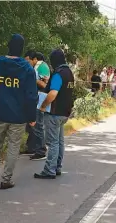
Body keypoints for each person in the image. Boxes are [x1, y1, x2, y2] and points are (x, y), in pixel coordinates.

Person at [0, 34, 38, 189]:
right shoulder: (27, 68)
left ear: (8, 46)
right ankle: (6, 179)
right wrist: (31, 116)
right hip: (18, 116)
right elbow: (31, 96)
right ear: (22, 49)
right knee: (13, 147)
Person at [35, 49, 75, 179]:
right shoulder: (69, 73)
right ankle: (57, 167)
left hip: (54, 113)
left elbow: (53, 93)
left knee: (52, 143)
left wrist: (43, 106)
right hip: (65, 113)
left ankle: (49, 170)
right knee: (59, 142)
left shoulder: (58, 74)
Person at [23, 51, 50, 158]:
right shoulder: (39, 67)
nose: (27, 63)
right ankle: (32, 147)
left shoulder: (40, 67)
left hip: (39, 99)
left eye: (28, 61)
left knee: (38, 125)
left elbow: (44, 84)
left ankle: (40, 150)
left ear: (33, 59)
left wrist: (31, 78)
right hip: (35, 99)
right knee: (31, 125)